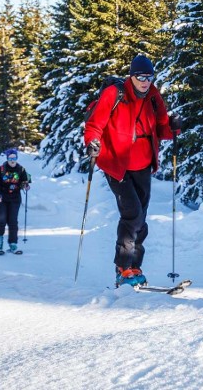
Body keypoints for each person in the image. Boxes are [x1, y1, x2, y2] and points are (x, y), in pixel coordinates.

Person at [84, 54, 181, 287]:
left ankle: (135, 266)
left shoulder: (153, 96)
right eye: (141, 77)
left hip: (143, 164)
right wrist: (92, 142)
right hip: (116, 163)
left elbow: (161, 128)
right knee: (132, 214)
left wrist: (174, 128)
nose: (145, 82)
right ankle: (123, 267)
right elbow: (95, 124)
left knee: (140, 218)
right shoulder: (115, 94)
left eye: (149, 77)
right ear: (132, 76)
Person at [0, 149, 31, 254]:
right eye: (10, 158)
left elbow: (24, 181)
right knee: (1, 220)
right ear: (7, 158)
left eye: (14, 158)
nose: (12, 160)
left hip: (15, 198)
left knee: (13, 221)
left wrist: (25, 186)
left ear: (17, 158)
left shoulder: (21, 169)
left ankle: (13, 244)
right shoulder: (1, 169)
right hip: (2, 198)